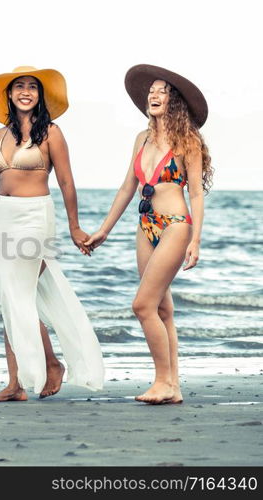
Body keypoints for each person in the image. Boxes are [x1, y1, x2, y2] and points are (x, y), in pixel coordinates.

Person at [0, 66, 104, 401]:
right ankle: (18, 382)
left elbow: (66, 182)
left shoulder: (52, 133)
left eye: (32, 87)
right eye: (19, 87)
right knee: (11, 298)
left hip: (35, 216)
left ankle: (48, 365)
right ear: (10, 94)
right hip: (3, 217)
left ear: (40, 95)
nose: (26, 92)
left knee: (18, 295)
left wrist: (74, 226)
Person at [84, 64, 213, 404]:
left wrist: (195, 240)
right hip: (146, 226)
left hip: (174, 225)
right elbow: (128, 186)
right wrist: (104, 230)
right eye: (152, 91)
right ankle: (173, 386)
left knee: (142, 306)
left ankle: (162, 382)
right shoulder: (141, 139)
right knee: (161, 310)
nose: (154, 95)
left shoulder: (189, 141)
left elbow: (197, 194)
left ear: (175, 102)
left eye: (163, 91)